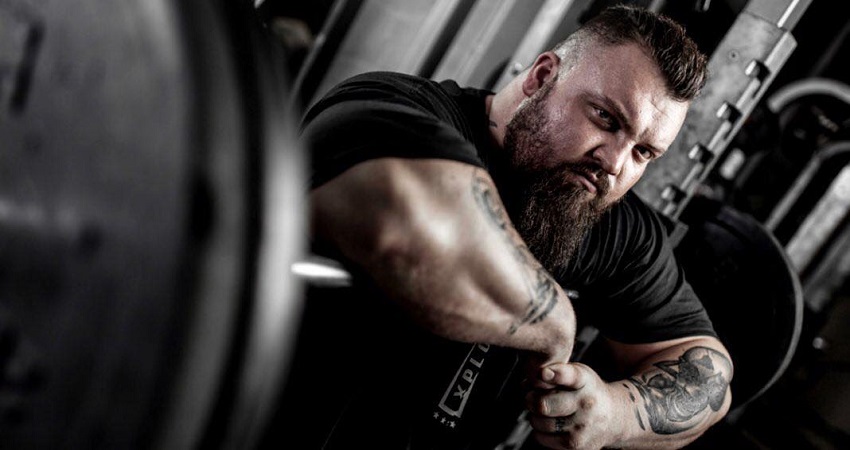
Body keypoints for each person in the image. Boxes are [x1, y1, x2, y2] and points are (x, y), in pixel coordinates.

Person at [267, 5, 733, 450]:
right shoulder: (397, 107)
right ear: (542, 76)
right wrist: (552, 324)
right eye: (605, 118)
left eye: (643, 153)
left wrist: (613, 411)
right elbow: (399, 222)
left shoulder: (608, 220)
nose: (614, 163)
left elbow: (706, 371)